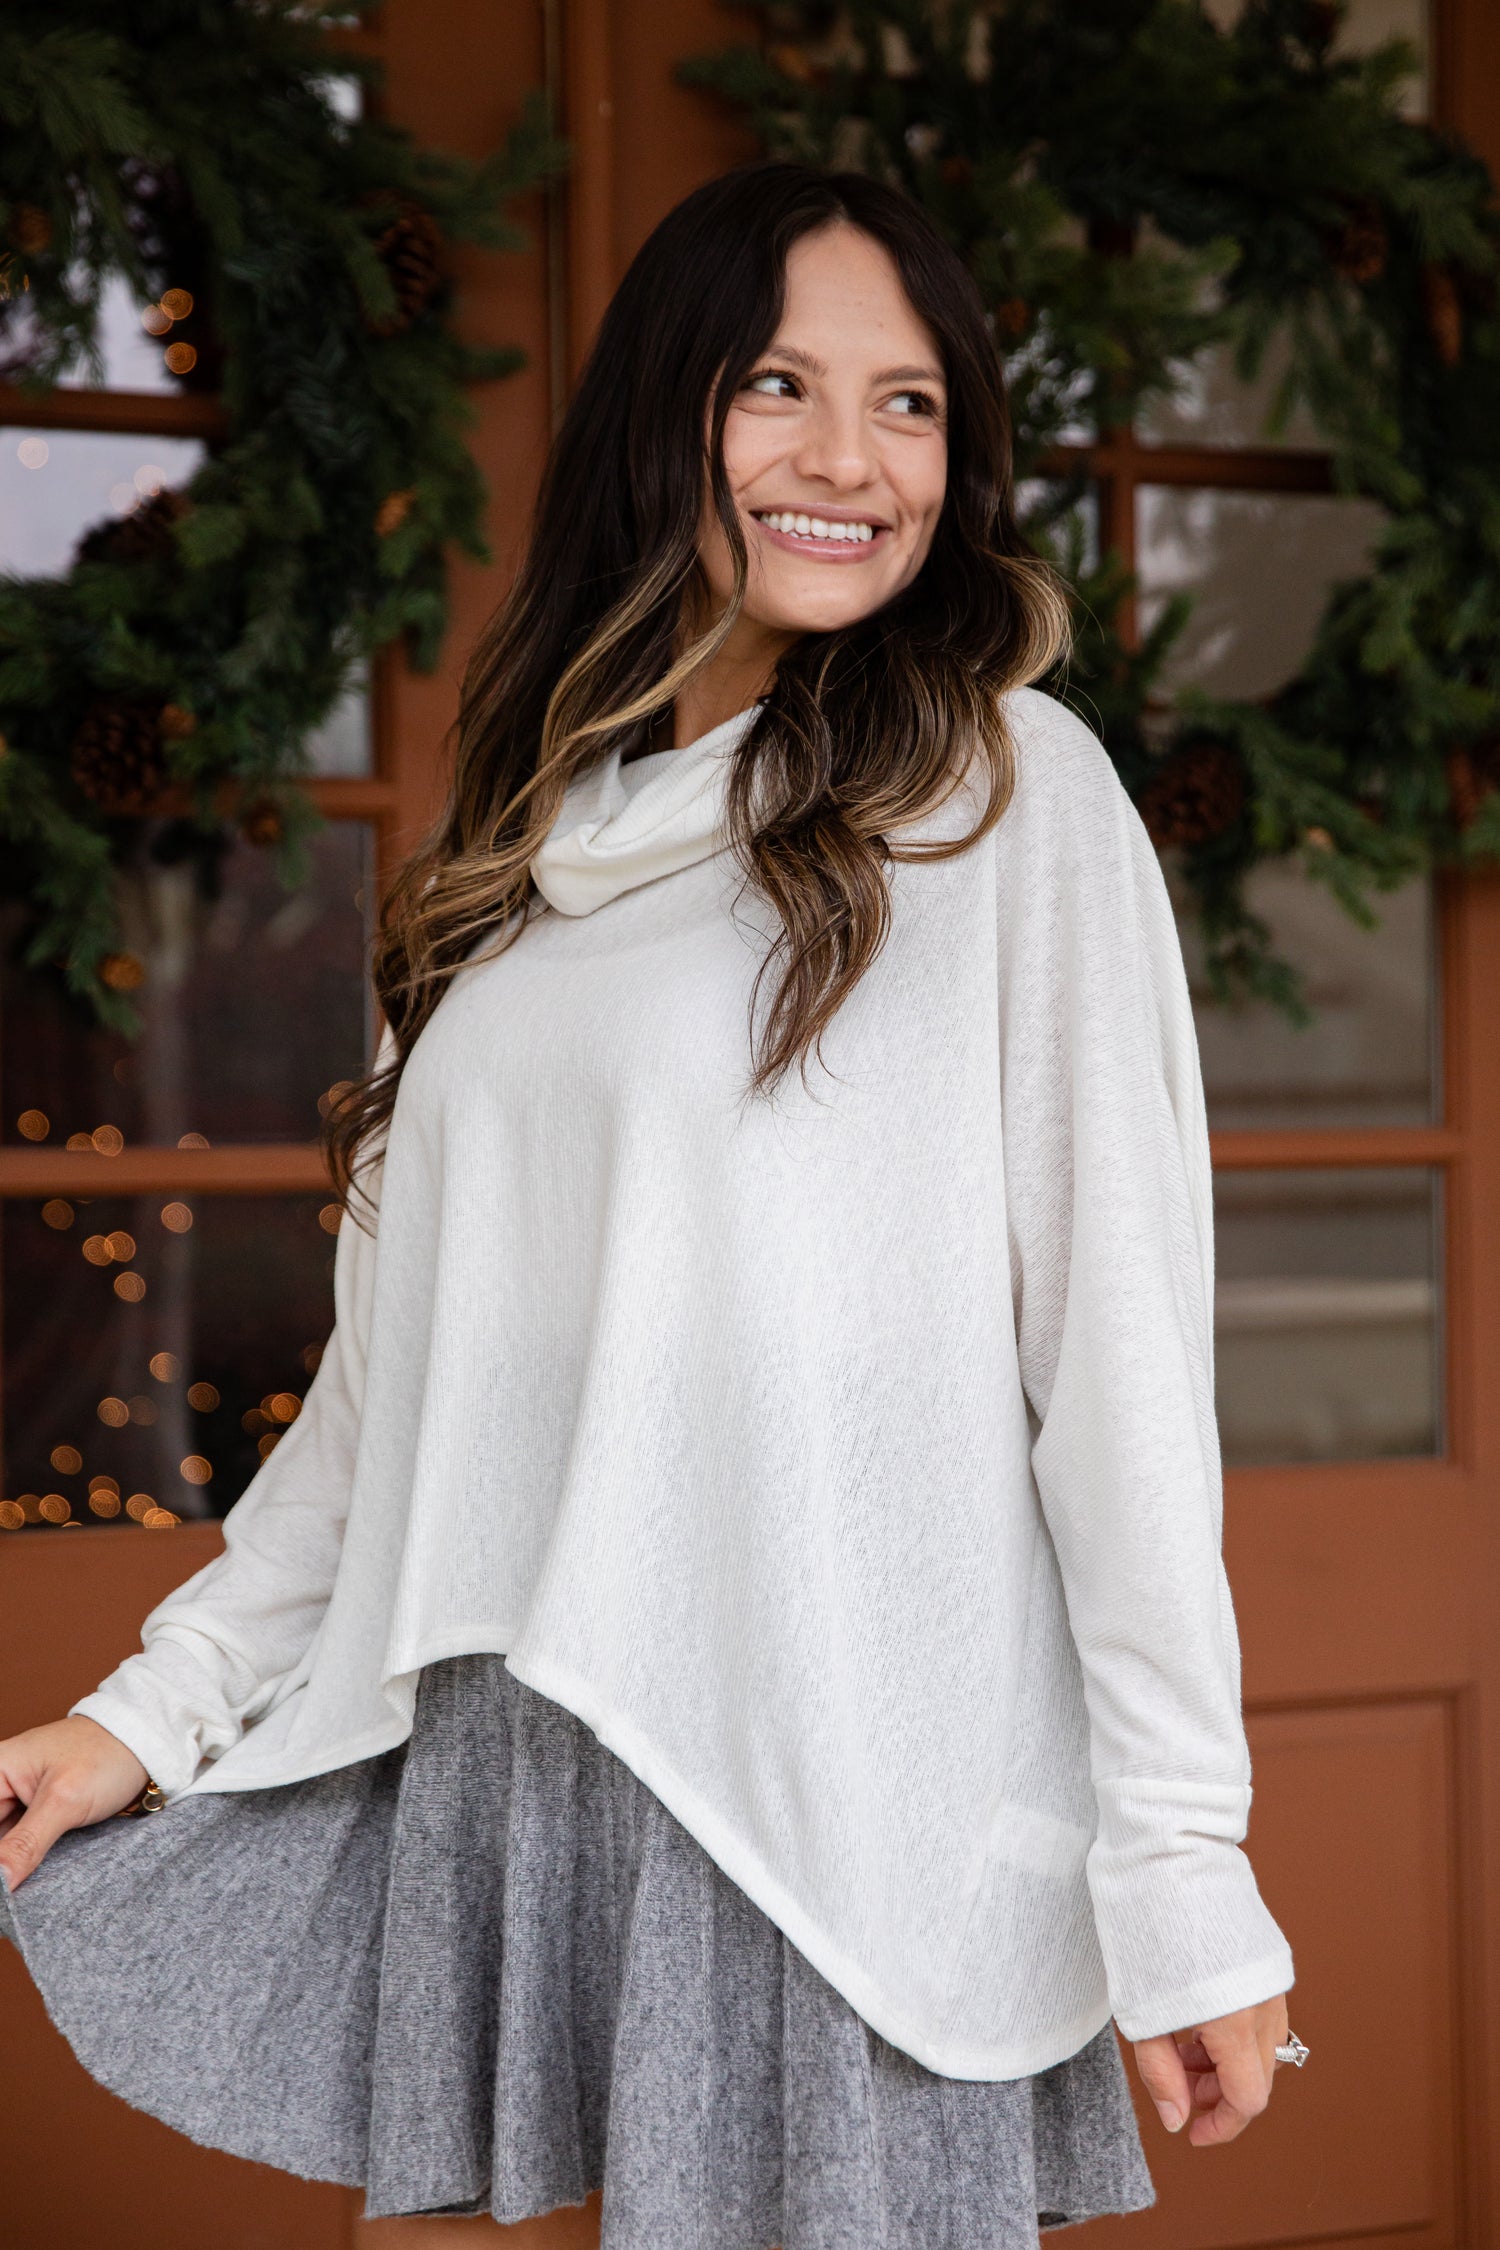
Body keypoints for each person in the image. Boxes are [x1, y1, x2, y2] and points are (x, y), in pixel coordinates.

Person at [0, 163, 1298, 2245]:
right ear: (667, 416)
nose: (846, 461)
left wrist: (1183, 1872)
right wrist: (145, 1716)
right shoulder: (524, 854)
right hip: (535, 1768)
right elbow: (403, 1388)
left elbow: (1119, 1374)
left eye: (911, 406)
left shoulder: (1009, 793)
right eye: (779, 385)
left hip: (838, 1786)